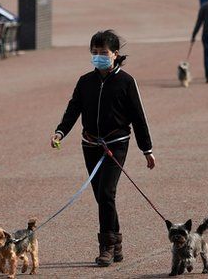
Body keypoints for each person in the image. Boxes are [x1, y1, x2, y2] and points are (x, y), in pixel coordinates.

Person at [51, 30, 155, 267]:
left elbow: (139, 117)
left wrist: (146, 149)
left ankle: (106, 247)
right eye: (94, 53)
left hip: (116, 144)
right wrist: (61, 131)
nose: (98, 57)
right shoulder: (85, 81)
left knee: (107, 192)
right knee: (101, 196)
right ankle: (116, 239)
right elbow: (73, 108)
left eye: (103, 53)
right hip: (90, 144)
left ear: (115, 54)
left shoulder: (126, 82)